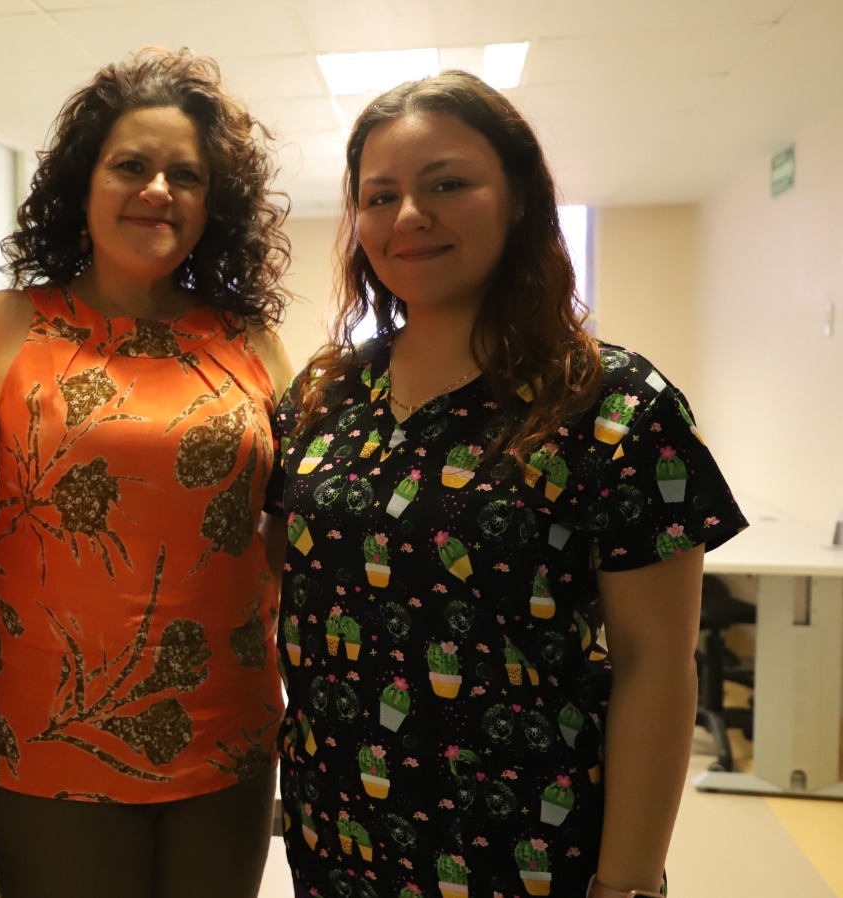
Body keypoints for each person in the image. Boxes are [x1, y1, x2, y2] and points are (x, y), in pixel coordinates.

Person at [269, 70, 746, 898]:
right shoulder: (324, 395)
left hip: (527, 846)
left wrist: (628, 882)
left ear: (520, 198)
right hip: (338, 831)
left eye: (447, 184)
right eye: (380, 197)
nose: (409, 216)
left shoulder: (614, 406)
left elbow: (656, 663)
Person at [0, 47, 293, 898]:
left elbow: (294, 527)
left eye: (186, 175)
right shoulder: (5, 327)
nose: (158, 190)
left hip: (227, 724)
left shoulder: (251, 342)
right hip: (49, 730)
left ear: (213, 201)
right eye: (131, 166)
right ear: (83, 185)